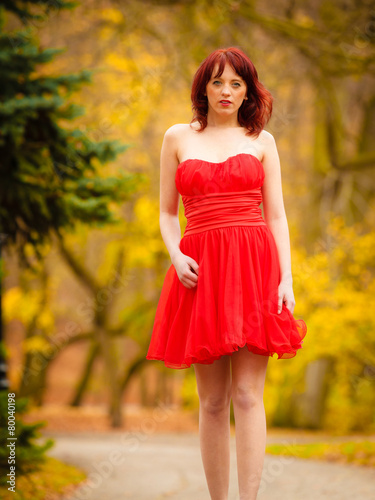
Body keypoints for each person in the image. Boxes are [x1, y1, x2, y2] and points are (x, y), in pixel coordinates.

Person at [146, 47, 307, 500]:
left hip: (255, 269)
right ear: (204, 87)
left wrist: (286, 280)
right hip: (200, 272)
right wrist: (176, 256)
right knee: (213, 402)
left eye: (237, 83)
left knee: (248, 396)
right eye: (218, 82)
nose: (227, 91)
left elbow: (277, 217)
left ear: (248, 92)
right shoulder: (177, 137)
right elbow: (165, 213)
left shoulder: (262, 141)